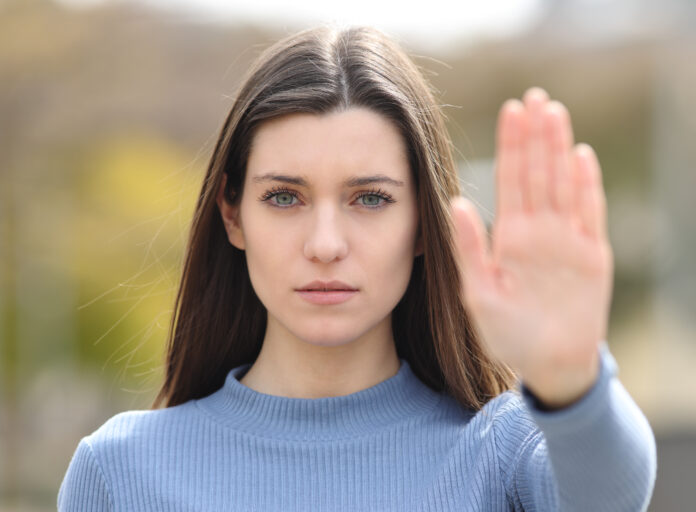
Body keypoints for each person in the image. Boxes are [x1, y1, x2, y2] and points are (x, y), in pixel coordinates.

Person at [58, 25, 656, 511]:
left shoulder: (501, 455)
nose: (324, 244)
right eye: (284, 197)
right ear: (232, 216)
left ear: (423, 224)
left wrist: (571, 377)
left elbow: (613, 495)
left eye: (369, 198)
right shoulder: (120, 471)